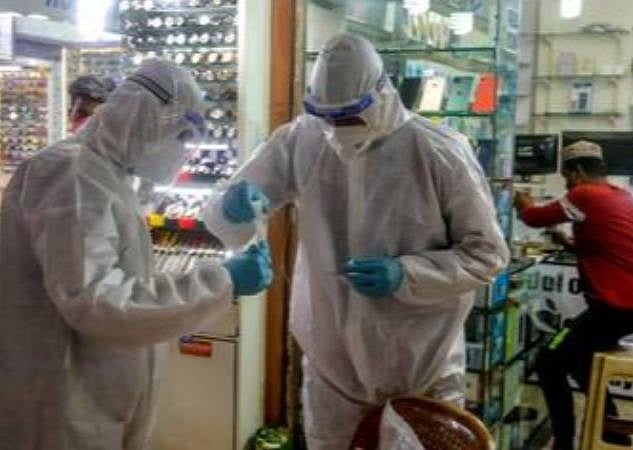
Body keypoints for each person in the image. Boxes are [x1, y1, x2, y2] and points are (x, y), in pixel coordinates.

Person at [203, 34, 509, 449]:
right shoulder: (303, 138)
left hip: (421, 365)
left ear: (381, 94)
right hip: (332, 365)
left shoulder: (437, 150)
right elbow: (228, 203)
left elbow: (487, 254)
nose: (337, 130)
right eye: (327, 117)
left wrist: (408, 274)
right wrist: (232, 206)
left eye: (348, 117)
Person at [0, 59, 272, 450]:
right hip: (63, 404)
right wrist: (221, 281)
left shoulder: (105, 173)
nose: (184, 151)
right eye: (181, 136)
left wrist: (224, 209)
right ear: (146, 119)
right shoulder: (71, 176)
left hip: (93, 396)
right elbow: (98, 303)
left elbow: (117, 263)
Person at [515, 140, 633, 450]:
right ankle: (612, 428)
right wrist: (566, 242)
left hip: (615, 307)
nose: (567, 184)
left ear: (577, 171)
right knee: (578, 360)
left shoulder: (584, 194)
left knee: (548, 361)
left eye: (566, 176)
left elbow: (531, 216)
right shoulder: (619, 195)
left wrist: (519, 197)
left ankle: (564, 442)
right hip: (623, 307)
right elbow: (605, 246)